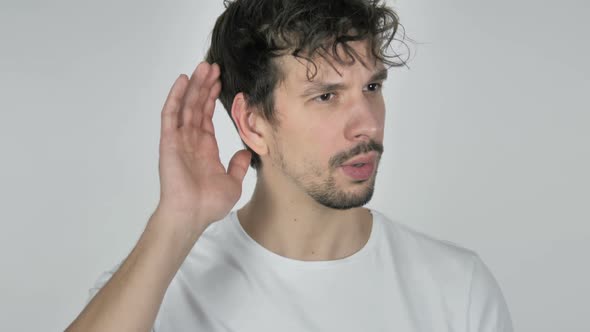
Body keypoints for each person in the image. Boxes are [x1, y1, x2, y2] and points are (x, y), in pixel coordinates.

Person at [66, 0, 513, 331]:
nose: (368, 125)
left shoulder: (457, 290)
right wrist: (175, 223)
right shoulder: (158, 291)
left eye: (372, 87)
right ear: (252, 122)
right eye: (326, 96)